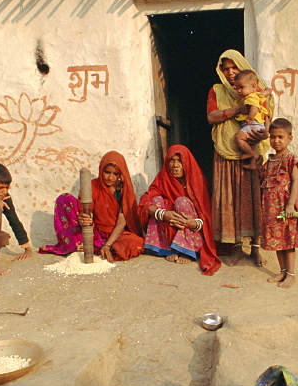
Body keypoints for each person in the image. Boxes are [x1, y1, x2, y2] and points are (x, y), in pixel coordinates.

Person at [207, 49, 273, 266]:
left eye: (233, 67)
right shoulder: (217, 90)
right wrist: (237, 109)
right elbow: (211, 116)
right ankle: (236, 247)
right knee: (230, 201)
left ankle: (255, 248)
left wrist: (262, 136)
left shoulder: (258, 89)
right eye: (225, 69)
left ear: (241, 65)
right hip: (226, 151)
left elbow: (267, 117)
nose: (230, 72)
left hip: (251, 151)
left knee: (253, 199)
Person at [38, 151, 143, 262]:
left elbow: (122, 223)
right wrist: (85, 219)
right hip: (94, 231)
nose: (110, 177)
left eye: (115, 174)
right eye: (107, 172)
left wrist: (107, 244)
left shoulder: (122, 191)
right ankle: (89, 245)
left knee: (136, 242)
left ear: (120, 174)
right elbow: (87, 212)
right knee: (64, 199)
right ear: (101, 170)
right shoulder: (93, 186)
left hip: (115, 234)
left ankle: (98, 247)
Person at [139, 145, 220, 276]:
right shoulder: (162, 179)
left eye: (180, 160)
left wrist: (193, 223)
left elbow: (206, 215)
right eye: (172, 160)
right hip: (169, 223)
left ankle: (187, 249)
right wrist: (163, 214)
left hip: (191, 229)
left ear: (186, 162)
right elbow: (144, 202)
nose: (175, 165)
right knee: (156, 201)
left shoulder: (196, 181)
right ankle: (166, 248)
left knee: (182, 201)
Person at [259, 118, 298, 288]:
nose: (276, 141)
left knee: (288, 239)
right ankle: (283, 271)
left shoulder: (291, 159)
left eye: (280, 137)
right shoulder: (269, 161)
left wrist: (290, 204)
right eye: (272, 137)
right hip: (272, 208)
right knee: (278, 240)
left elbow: (295, 182)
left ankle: (291, 274)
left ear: (289, 138)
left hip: (287, 206)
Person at [232, 70, 271, 169]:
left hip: (252, 124)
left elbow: (254, 107)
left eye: (242, 87)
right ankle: (253, 162)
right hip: (258, 127)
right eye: (236, 88)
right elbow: (264, 93)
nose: (239, 91)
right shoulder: (257, 95)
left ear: (254, 86)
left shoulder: (250, 97)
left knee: (239, 137)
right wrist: (268, 90)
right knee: (252, 146)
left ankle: (250, 153)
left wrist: (250, 117)